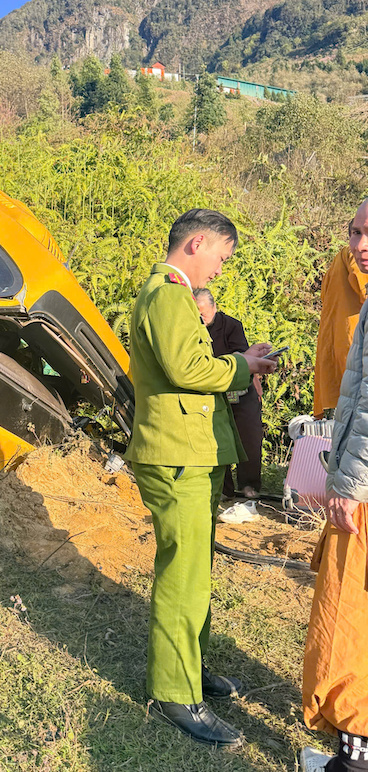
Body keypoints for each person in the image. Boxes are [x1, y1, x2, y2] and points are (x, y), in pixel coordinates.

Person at [124, 209, 276, 748]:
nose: (221, 268)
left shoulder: (172, 294)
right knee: (182, 577)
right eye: (221, 256)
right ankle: (174, 691)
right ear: (199, 243)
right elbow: (186, 370)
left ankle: (190, 669)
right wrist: (244, 367)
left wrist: (237, 359)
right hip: (175, 457)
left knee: (195, 574)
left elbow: (190, 361)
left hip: (190, 454)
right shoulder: (167, 294)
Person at [301, 199, 368, 772]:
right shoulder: (341, 275)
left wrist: (346, 483)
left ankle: (355, 750)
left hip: (362, 485)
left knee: (349, 608)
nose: (360, 244)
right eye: (354, 232)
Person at [193, 289, 264, 499]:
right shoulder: (191, 329)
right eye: (196, 314)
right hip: (211, 392)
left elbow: (242, 356)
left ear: (214, 308)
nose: (200, 318)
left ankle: (249, 486)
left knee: (249, 439)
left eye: (203, 314)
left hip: (239, 389)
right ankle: (223, 489)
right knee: (215, 440)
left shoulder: (231, 325)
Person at [313, 237, 368, 418]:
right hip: (355, 348)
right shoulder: (355, 256)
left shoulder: (338, 260)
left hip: (337, 351)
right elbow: (364, 290)